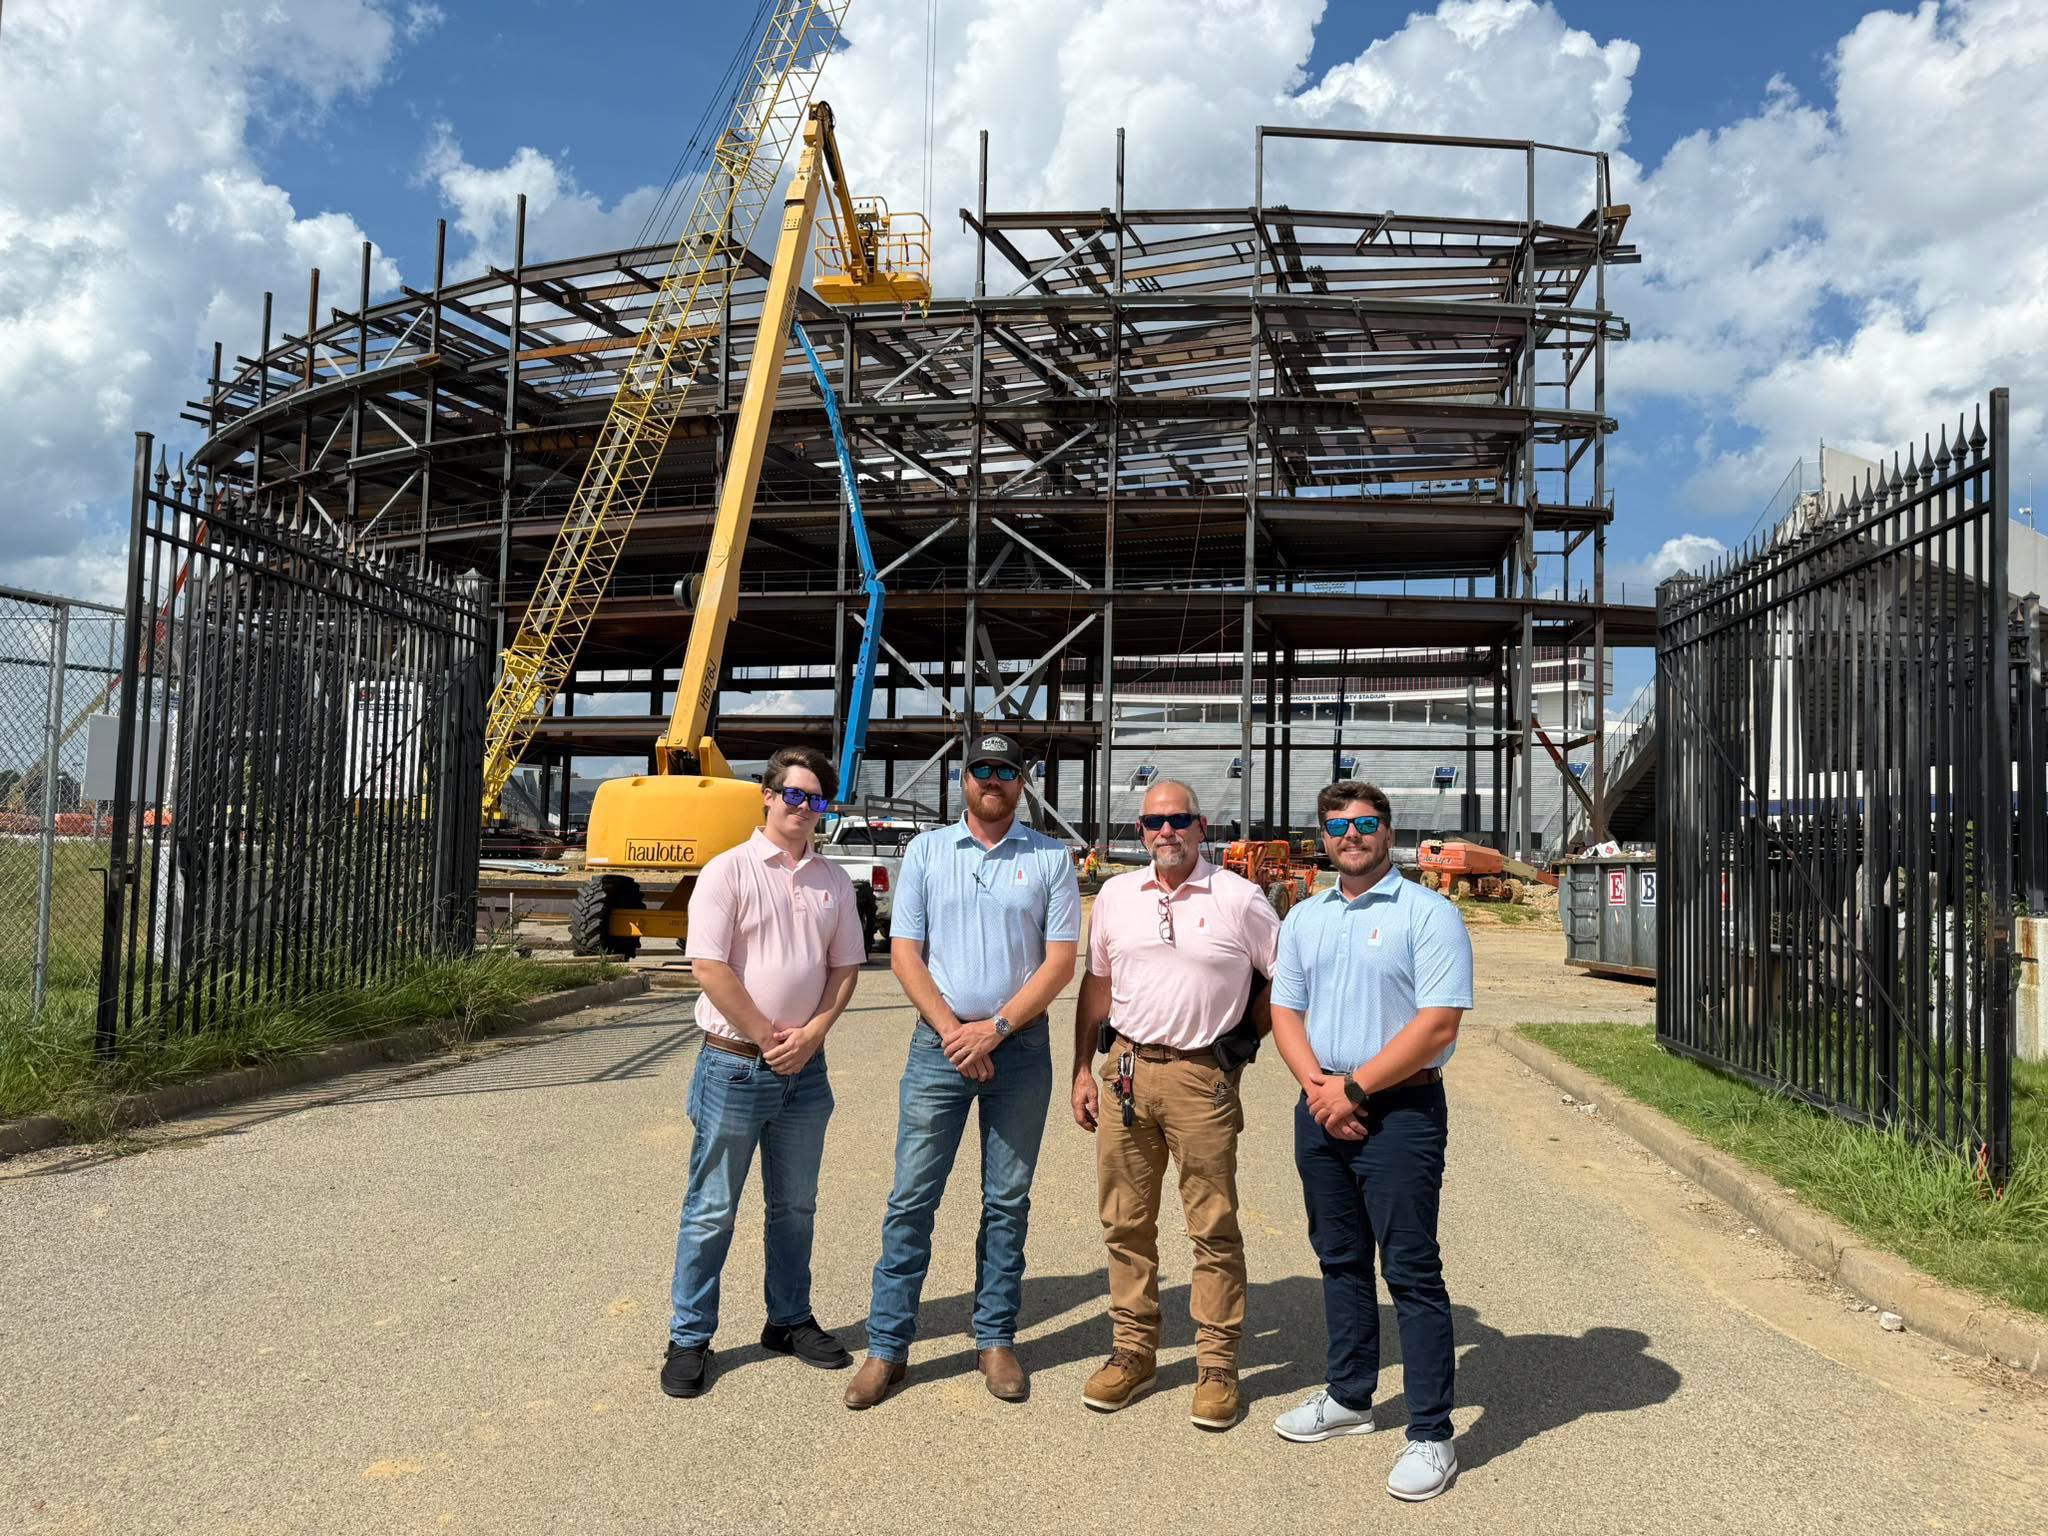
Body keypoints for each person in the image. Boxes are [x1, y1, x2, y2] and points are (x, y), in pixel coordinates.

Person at [845, 731, 1081, 1409]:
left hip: (1020, 1048)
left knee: (1006, 1200)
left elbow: (1059, 961)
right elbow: (906, 953)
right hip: (940, 1048)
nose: (992, 780)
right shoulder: (926, 852)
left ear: (1022, 780)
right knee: (911, 1198)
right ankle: (887, 1348)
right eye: (981, 768)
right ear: (964, 776)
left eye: (1005, 771)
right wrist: (956, 1033)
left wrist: (995, 1029)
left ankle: (995, 1337)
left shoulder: (1049, 859)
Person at [1266, 781, 1473, 1502]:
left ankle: (1431, 1433)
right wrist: (1322, 1090)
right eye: (1336, 826)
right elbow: (1284, 1008)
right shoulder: (1305, 916)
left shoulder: (1430, 913)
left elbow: (1437, 1025)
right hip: (1321, 1105)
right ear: (1321, 838)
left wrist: (1353, 1091)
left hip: (1400, 1114)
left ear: (1388, 832)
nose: (1349, 835)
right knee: (1340, 1259)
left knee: (1411, 1271)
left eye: (1363, 823)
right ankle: (1351, 1399)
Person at [1070, 780, 1280, 1430]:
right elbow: (1098, 983)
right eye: (1155, 822)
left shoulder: (1239, 899)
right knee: (1124, 1222)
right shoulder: (1115, 896)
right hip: (1126, 1069)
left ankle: (1217, 1365)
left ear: (1201, 825)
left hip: (1199, 1079)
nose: (1167, 831)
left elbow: (1285, 976)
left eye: (1179, 819)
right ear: (1142, 830)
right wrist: (1081, 1068)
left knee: (1211, 1225)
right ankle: (1133, 1351)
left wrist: (1240, 1047)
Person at [660, 746, 866, 1400]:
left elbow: (844, 970)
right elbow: (709, 967)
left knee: (795, 1206)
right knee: (713, 1208)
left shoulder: (833, 882)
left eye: (817, 800)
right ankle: (690, 1335)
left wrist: (812, 1034)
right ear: (768, 797)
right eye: (795, 795)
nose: (804, 809)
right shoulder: (728, 872)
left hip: (806, 1073)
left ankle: (788, 1318)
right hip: (735, 1067)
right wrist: (765, 1037)